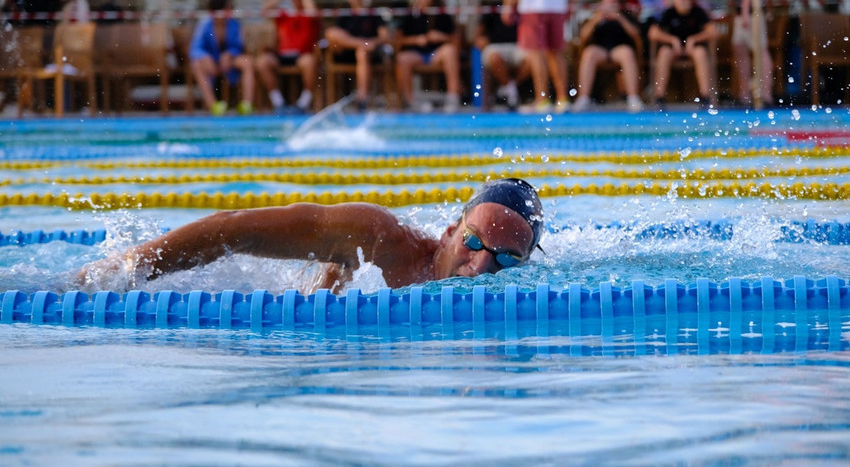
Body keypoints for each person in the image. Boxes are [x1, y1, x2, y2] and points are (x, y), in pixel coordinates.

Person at [78, 178, 544, 294]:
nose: (480, 267)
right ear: (449, 231)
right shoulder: (378, 238)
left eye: (505, 261)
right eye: (475, 244)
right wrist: (124, 269)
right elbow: (232, 229)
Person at [573, 0, 644, 113]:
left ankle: (633, 98)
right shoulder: (596, 13)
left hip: (619, 49)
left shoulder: (625, 12)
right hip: (601, 49)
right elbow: (583, 36)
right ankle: (583, 98)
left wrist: (619, 17)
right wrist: (596, 19)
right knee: (589, 53)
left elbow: (635, 34)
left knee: (627, 53)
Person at [501, 0, 571, 114]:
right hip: (557, 5)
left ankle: (542, 99)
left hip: (533, 5)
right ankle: (562, 99)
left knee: (537, 54)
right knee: (556, 53)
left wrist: (508, 5)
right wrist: (570, 2)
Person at [395, 0, 462, 114]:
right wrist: (416, 40)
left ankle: (453, 98)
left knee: (450, 51)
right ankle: (411, 101)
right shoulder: (410, 14)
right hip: (417, 54)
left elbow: (456, 41)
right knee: (402, 58)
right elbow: (397, 41)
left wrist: (441, 37)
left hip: (436, 54)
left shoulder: (440, 13)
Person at [189, 0, 255, 116]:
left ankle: (247, 104)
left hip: (230, 62)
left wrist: (230, 54)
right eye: (228, 8)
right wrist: (205, 57)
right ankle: (213, 105)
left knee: (247, 62)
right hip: (211, 63)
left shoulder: (234, 24)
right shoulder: (204, 25)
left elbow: (239, 46)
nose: (230, 11)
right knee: (197, 65)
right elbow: (195, 49)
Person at [648, 0, 716, 108]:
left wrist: (694, 39)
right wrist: (672, 40)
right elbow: (653, 33)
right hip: (673, 50)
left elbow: (712, 31)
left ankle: (705, 97)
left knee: (700, 53)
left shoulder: (698, 12)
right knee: (664, 52)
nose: (683, 0)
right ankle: (660, 97)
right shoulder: (669, 13)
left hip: (693, 49)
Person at [324, 0, 390, 111]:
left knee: (362, 52)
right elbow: (334, 37)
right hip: (347, 52)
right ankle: (360, 44)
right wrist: (362, 43)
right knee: (331, 33)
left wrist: (372, 43)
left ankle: (362, 98)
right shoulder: (345, 15)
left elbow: (385, 37)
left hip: (369, 55)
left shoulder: (373, 14)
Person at [257, 0, 320, 113]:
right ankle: (278, 102)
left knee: (309, 62)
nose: (296, 0)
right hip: (282, 55)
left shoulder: (310, 16)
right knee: (262, 62)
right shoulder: (285, 16)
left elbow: (312, 11)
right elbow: (264, 9)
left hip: (301, 56)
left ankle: (303, 103)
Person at [474, 7, 528, 110]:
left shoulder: (523, 7)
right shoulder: (492, 8)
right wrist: (481, 40)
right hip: (495, 46)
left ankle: (510, 88)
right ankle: (510, 89)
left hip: (519, 46)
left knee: (533, 59)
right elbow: (478, 36)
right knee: (495, 57)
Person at [729, 0, 774, 107]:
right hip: (747, 12)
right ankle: (745, 94)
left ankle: (765, 94)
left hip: (751, 13)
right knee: (740, 50)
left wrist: (745, 9)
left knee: (760, 50)